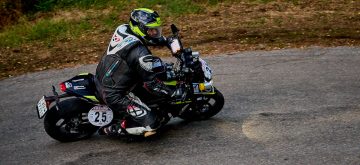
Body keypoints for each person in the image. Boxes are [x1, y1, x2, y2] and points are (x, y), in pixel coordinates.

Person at [94, 8, 173, 137]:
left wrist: (167, 41)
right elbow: (152, 84)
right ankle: (113, 128)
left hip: (104, 76)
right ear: (140, 28)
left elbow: (150, 38)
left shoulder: (123, 29)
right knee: (153, 124)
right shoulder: (140, 54)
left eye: (156, 29)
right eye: (151, 30)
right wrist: (171, 93)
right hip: (115, 94)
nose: (155, 33)